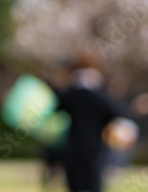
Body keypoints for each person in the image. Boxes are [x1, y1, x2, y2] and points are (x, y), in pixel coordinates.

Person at [54, 51, 125, 192]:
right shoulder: (101, 94)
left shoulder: (70, 93)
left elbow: (56, 108)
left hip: (72, 143)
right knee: (93, 182)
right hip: (95, 145)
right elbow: (115, 113)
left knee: (75, 183)